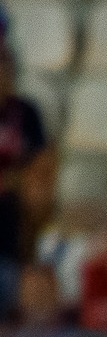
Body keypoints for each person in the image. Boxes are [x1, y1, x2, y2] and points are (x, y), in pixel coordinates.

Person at [0, 50, 50, 311]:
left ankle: (26, 267)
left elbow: (43, 161)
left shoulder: (26, 112)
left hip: (15, 199)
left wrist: (14, 179)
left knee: (37, 192)